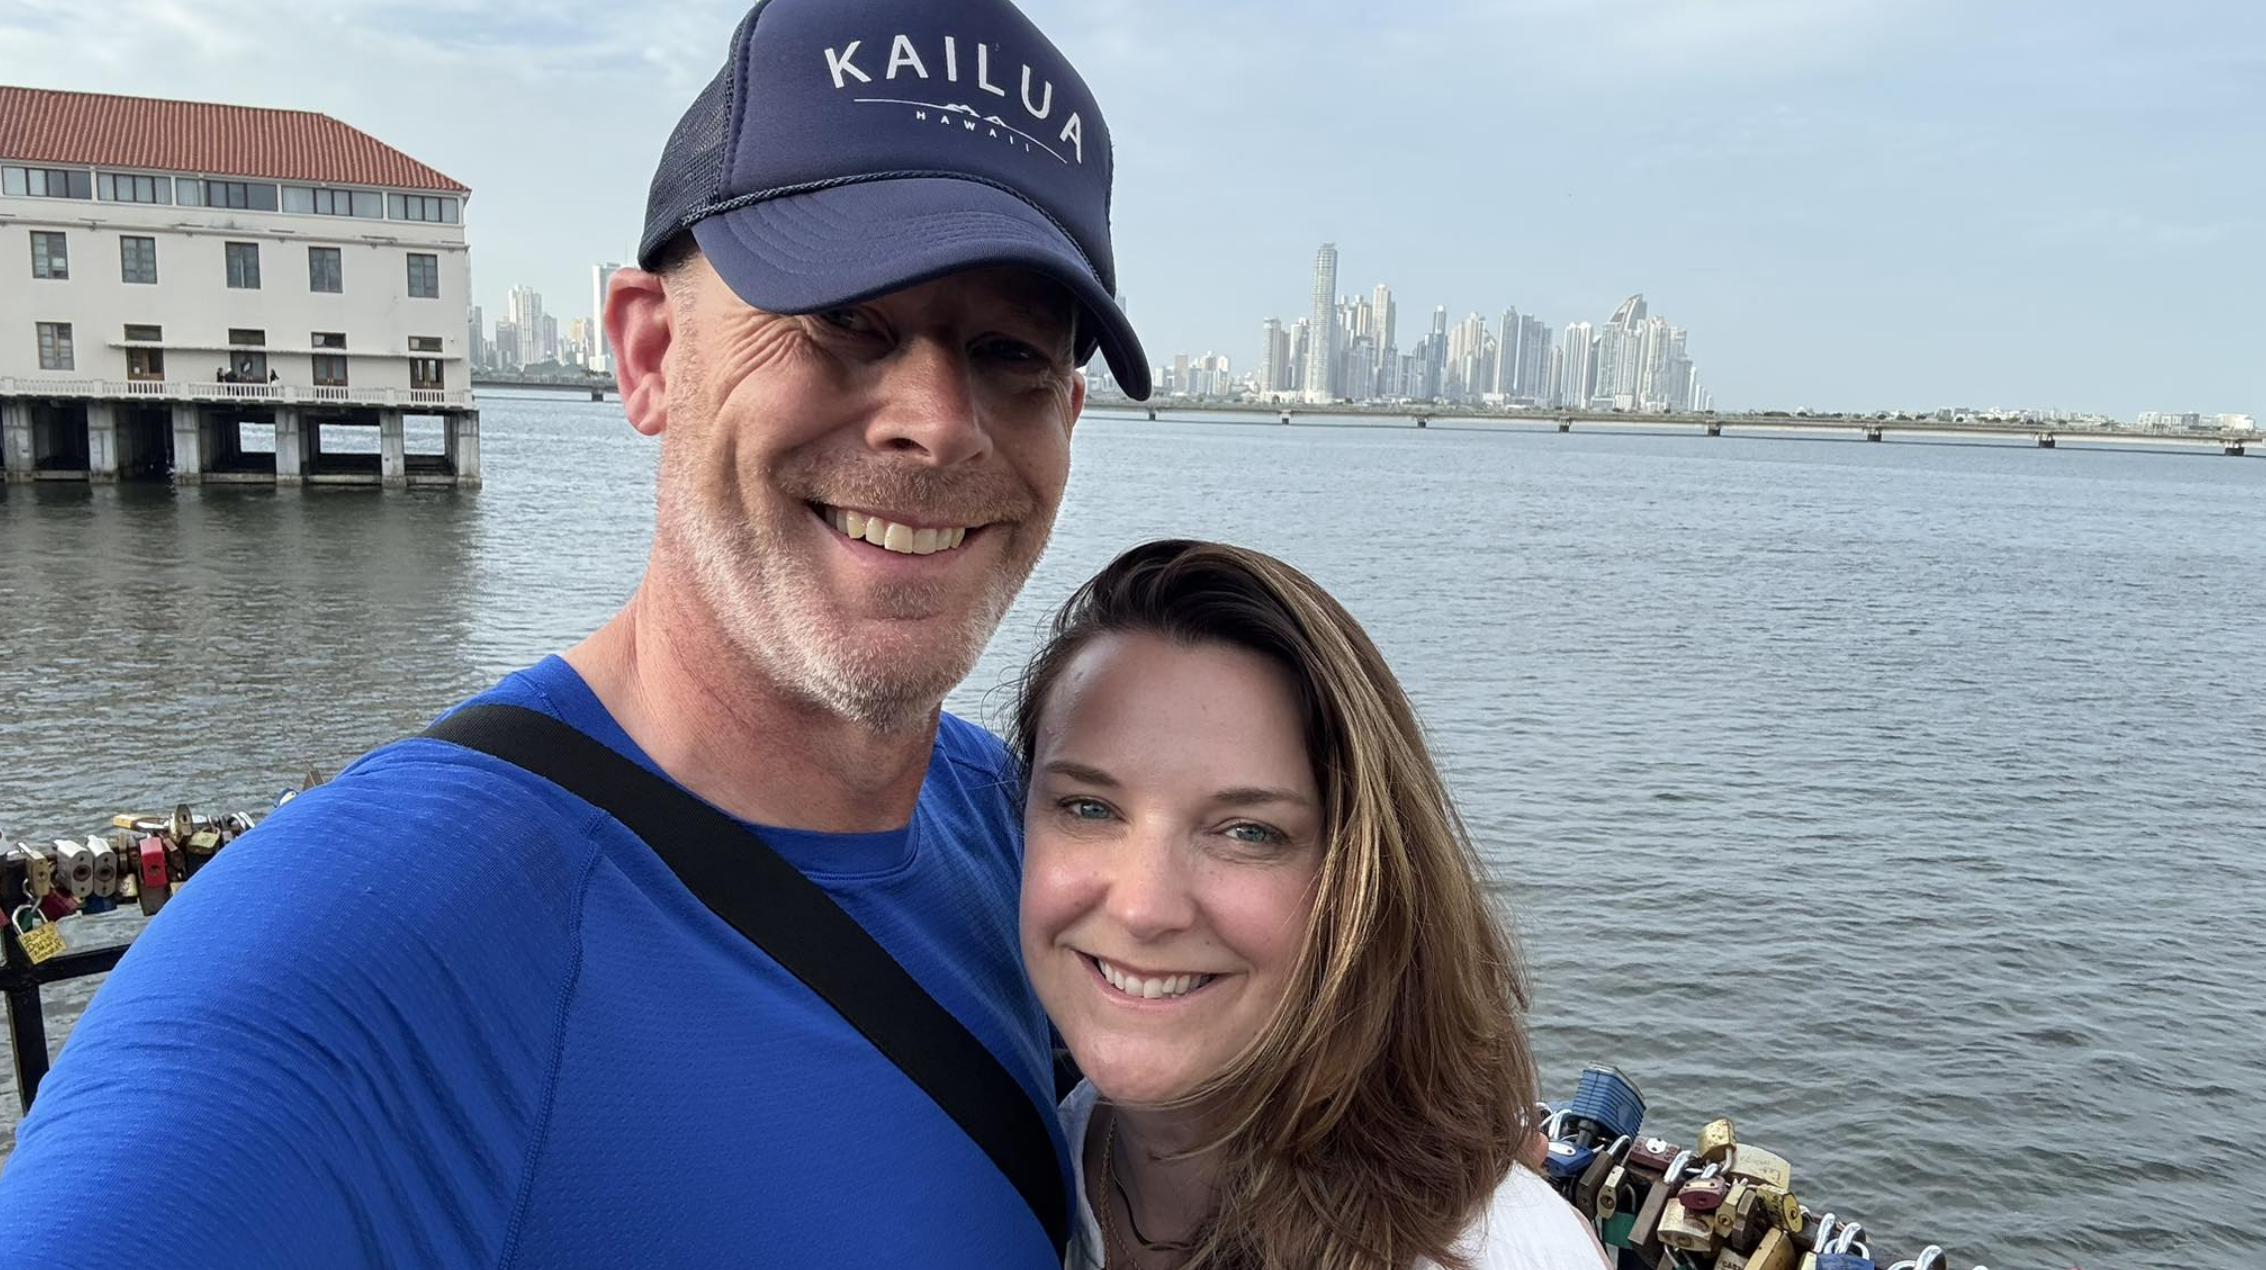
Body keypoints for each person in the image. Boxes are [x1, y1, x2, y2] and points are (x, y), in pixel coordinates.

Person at [0, 0, 1147, 1265]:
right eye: (846, 320)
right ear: (649, 351)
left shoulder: (1027, 832)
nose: (937, 420)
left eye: (1009, 353)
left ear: (1069, 421)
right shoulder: (341, 951)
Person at [1012, 541, 1608, 1269]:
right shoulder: (1038, 1150)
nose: (1142, 908)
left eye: (1248, 831)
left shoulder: (1502, 1251)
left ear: (1366, 881)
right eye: (1088, 808)